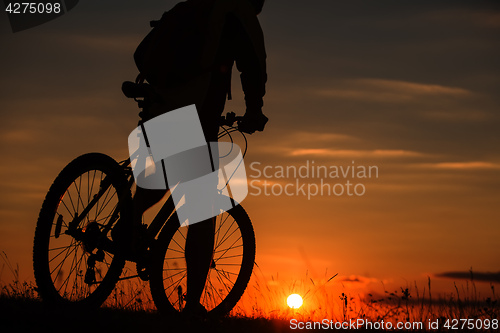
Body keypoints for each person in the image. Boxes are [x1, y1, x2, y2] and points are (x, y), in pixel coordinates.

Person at [130, 0, 268, 316]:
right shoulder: (239, 14)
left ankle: (129, 222)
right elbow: (253, 65)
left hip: (161, 97)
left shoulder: (197, 5)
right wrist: (254, 111)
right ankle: (192, 305)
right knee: (204, 208)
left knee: (166, 172)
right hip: (196, 108)